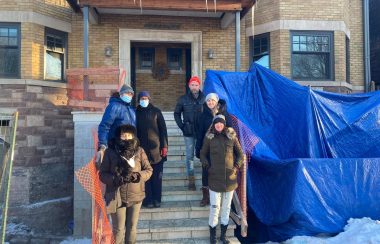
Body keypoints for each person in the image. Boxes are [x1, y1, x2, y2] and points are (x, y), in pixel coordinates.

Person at [99, 124, 153, 244]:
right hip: (116, 196)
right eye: (124, 135)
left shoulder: (139, 151)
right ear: (119, 136)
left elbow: (149, 170)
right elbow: (102, 174)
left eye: (129, 135)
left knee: (132, 228)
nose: (127, 138)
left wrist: (137, 176)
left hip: (136, 196)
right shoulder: (110, 151)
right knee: (118, 229)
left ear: (133, 136)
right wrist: (114, 179)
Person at [200, 114, 244, 244]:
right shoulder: (209, 138)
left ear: (224, 124)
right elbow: (202, 154)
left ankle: (223, 237)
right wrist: (207, 166)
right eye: (216, 123)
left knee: (226, 209)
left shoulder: (231, 136)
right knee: (215, 209)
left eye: (221, 123)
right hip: (214, 179)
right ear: (213, 125)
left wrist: (236, 168)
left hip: (230, 181)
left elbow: (240, 154)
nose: (218, 125)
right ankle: (212, 238)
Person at [195, 93, 233, 207]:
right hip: (207, 149)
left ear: (216, 101)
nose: (210, 103)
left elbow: (230, 132)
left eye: (212, 100)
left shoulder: (225, 115)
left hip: (221, 149)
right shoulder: (203, 116)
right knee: (206, 172)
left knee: (220, 173)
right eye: (208, 101)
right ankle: (205, 197)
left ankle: (219, 198)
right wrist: (198, 149)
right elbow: (200, 134)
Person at [136, 91, 168, 208]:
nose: (144, 100)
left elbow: (163, 130)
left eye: (146, 98)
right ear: (138, 100)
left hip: (157, 151)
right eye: (142, 98)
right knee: (145, 178)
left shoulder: (156, 112)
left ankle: (157, 200)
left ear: (149, 99)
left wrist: (164, 146)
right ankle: (148, 200)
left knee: (156, 178)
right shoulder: (135, 113)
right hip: (141, 151)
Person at [174, 76, 205, 190]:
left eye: (196, 85)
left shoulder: (204, 99)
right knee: (190, 157)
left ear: (199, 86)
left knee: (203, 155)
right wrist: (182, 126)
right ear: (189, 86)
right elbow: (176, 113)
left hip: (201, 132)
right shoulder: (183, 99)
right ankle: (191, 180)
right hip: (189, 132)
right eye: (192, 85)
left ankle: (205, 181)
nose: (194, 87)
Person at [97, 84, 136, 164]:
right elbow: (104, 126)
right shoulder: (114, 106)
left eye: (131, 94)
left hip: (129, 147)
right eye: (128, 93)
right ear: (121, 94)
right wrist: (103, 144)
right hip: (116, 146)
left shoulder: (131, 109)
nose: (130, 95)